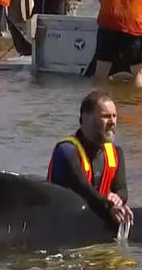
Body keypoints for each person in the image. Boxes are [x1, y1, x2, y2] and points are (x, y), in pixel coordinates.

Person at [47, 90, 134, 225]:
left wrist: (117, 200)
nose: (112, 122)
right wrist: (108, 206)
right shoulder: (67, 151)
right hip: (62, 218)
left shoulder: (116, 152)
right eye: (105, 116)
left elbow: (122, 190)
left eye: (114, 116)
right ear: (85, 119)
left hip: (97, 210)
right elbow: (83, 190)